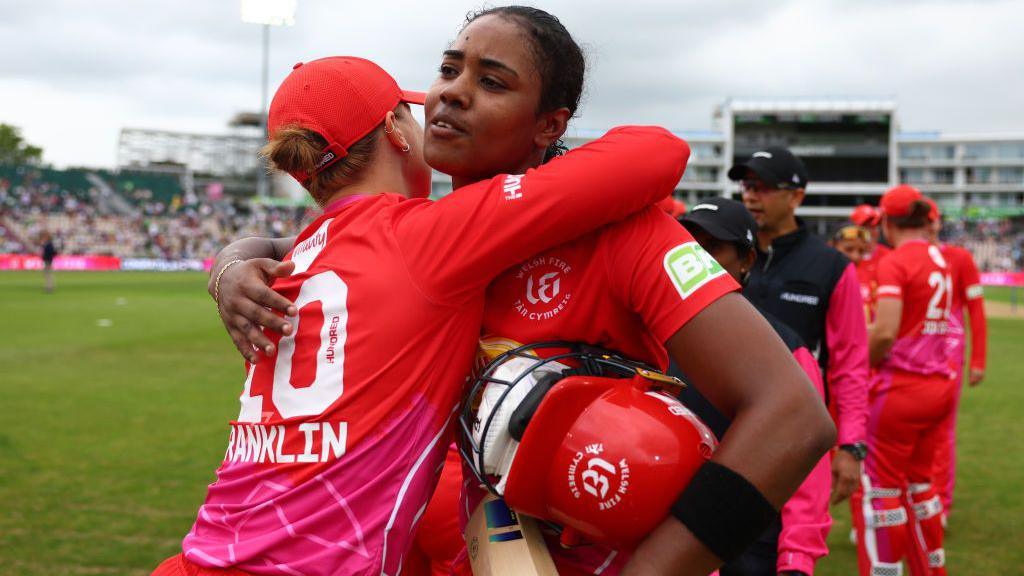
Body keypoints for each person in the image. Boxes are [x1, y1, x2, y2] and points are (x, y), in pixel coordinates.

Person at [213, 8, 835, 576]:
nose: (452, 91)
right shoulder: (415, 244)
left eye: (492, 81)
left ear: (550, 125)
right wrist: (234, 262)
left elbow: (793, 415)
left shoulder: (626, 232)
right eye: (449, 69)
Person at [153, 55, 692, 576]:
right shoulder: (426, 235)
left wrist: (229, 262)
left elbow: (284, 242)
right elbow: (658, 153)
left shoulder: (297, 257)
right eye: (410, 112)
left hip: (205, 553)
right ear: (394, 129)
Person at [673, 197, 831, 576]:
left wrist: (797, 558)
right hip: (668, 538)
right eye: (689, 248)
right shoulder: (648, 337)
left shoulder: (786, 346)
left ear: (746, 261)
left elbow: (807, 457)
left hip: (752, 546)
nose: (699, 259)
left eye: (713, 248)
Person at [733, 147, 869, 509]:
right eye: (746, 185)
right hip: (720, 429)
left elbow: (851, 364)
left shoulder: (832, 266)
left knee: (787, 551)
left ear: (796, 196)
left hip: (792, 437)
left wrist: (852, 445)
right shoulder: (720, 254)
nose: (749, 194)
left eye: (762, 186)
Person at [855, 185, 954, 576]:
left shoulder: (895, 261)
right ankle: (932, 568)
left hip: (901, 389)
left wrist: (858, 367)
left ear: (887, 222)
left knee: (881, 495)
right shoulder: (939, 257)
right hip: (938, 386)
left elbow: (884, 332)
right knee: (922, 489)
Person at [925, 199, 987, 517]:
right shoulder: (901, 258)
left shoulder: (959, 257)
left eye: (931, 220)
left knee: (942, 432)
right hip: (910, 360)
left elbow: (975, 308)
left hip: (948, 355)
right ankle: (915, 498)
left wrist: (978, 359)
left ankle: (941, 505)